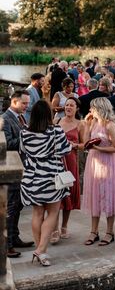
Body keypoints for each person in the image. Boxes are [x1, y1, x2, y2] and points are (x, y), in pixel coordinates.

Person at [20, 100, 72, 266]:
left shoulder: (24, 132)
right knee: (53, 212)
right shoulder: (56, 130)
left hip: (31, 177)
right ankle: (41, 250)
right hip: (50, 177)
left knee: (37, 213)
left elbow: (23, 151)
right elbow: (65, 150)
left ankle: (40, 251)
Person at [82, 97, 115, 246]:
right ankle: (93, 231)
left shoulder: (110, 125)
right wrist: (87, 125)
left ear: (99, 109)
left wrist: (99, 148)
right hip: (94, 163)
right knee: (95, 196)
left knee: (108, 196)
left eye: (92, 108)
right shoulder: (93, 123)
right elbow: (85, 143)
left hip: (108, 164)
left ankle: (109, 232)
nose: (90, 111)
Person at [1, 91, 33, 258]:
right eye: (24, 104)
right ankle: (6, 245)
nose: (27, 106)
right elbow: (5, 144)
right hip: (11, 168)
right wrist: (27, 139)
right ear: (14, 102)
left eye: (27, 103)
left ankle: (15, 237)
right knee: (11, 208)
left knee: (18, 205)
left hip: (21, 167)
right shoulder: (5, 118)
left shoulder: (20, 117)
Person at [52, 97, 84, 242]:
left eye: (72, 105)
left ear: (77, 108)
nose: (68, 107)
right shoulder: (56, 121)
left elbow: (84, 144)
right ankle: (54, 228)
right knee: (55, 194)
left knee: (68, 194)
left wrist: (74, 145)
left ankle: (64, 226)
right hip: (55, 162)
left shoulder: (80, 124)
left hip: (71, 161)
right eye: (67, 105)